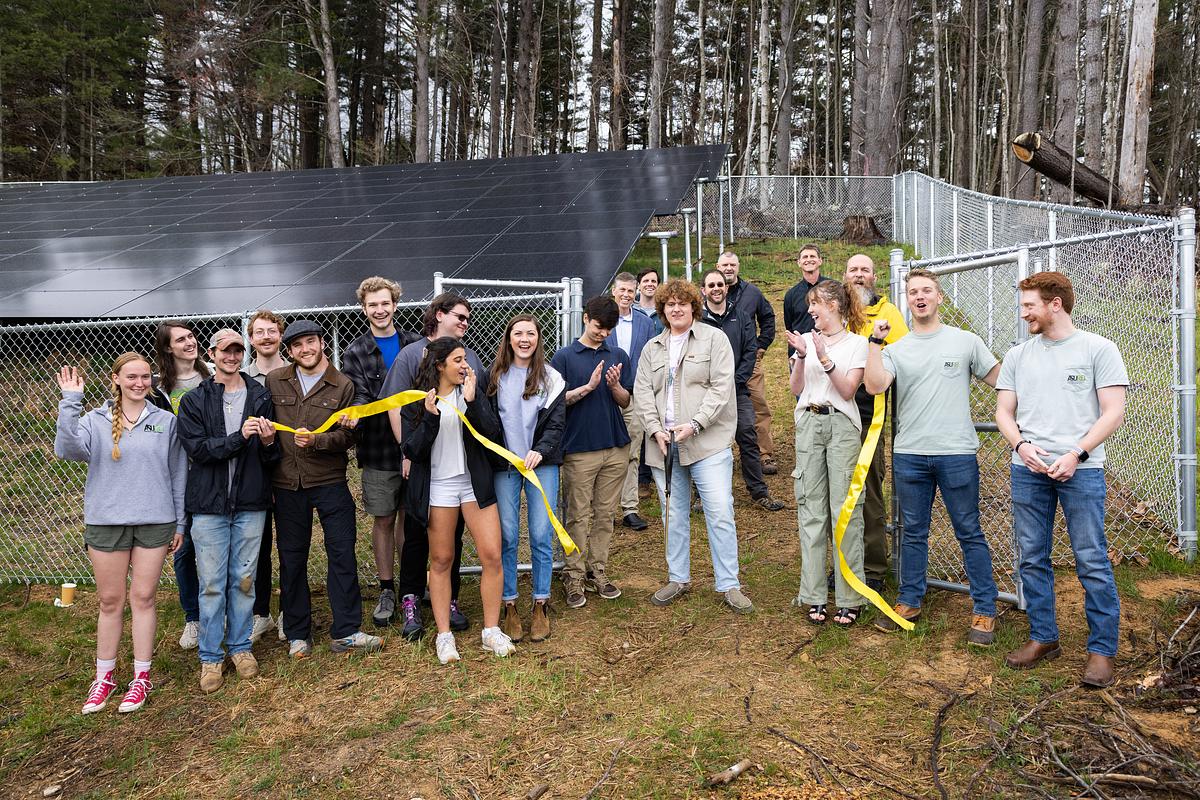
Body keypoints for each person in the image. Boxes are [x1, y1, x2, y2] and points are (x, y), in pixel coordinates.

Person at [996, 272, 1128, 688]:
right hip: (1028, 472)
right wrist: (1021, 447)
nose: (1024, 314)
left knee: (1090, 559)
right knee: (1032, 556)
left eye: (1029, 306)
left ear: (1055, 304)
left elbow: (1113, 412)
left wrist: (1076, 453)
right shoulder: (1019, 355)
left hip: (1082, 472)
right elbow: (1004, 412)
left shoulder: (1098, 349)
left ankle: (1102, 651)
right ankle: (1043, 638)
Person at [862, 269, 1000, 646]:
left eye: (926, 291)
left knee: (968, 530)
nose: (919, 297)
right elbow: (874, 385)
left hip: (956, 453)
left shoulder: (966, 341)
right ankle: (908, 601)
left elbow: (1001, 380)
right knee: (913, 533)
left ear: (940, 297)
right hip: (910, 455)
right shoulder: (895, 348)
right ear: (907, 300)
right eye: (912, 292)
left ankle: (985, 608)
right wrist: (874, 344)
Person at [55, 353, 187, 714]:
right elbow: (66, 449)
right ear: (115, 379)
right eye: (131, 377)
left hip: (154, 521)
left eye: (145, 377)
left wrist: (179, 523)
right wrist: (70, 402)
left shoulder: (165, 421)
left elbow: (178, 473)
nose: (139, 383)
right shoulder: (95, 420)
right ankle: (104, 678)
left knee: (143, 598)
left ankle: (141, 677)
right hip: (107, 521)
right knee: (110, 601)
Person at [635, 278, 753, 613]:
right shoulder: (652, 349)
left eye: (682, 303)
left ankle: (729, 584)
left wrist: (695, 424)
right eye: (669, 305)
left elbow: (721, 388)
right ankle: (678, 577)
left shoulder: (714, 340)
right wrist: (655, 430)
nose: (676, 309)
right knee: (673, 514)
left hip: (706, 443)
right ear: (662, 310)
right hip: (663, 446)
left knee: (719, 512)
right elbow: (643, 393)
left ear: (693, 306)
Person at [267, 320, 382, 658]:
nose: (306, 349)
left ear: (322, 344)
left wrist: (318, 441)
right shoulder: (276, 381)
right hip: (287, 483)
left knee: (342, 554)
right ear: (289, 351)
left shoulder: (342, 385)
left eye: (311, 342)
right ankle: (298, 634)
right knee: (291, 559)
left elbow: (349, 437)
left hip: (330, 481)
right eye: (298, 344)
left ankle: (346, 630)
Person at [177, 330, 280, 693]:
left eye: (239, 351)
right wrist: (240, 437)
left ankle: (240, 647)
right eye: (226, 351)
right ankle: (210, 657)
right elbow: (200, 451)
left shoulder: (260, 394)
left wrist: (267, 441)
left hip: (251, 503)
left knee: (244, 578)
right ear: (212, 353)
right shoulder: (194, 401)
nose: (233, 357)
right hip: (208, 506)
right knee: (211, 584)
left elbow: (272, 458)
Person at [402, 337, 515, 664]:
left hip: (474, 484)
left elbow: (493, 433)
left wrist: (474, 401)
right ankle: (444, 636)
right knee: (441, 560)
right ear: (439, 365)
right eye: (457, 359)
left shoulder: (472, 393)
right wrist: (430, 417)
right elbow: (413, 450)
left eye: (464, 358)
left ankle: (491, 631)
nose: (464, 365)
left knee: (492, 555)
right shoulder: (416, 400)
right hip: (439, 487)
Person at [381, 293, 487, 640]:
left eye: (468, 319)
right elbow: (396, 405)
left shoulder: (469, 358)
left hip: (460, 471)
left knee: (450, 539)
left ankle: (449, 599)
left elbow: (479, 406)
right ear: (438, 314)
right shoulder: (412, 355)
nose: (465, 323)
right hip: (423, 461)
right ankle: (411, 598)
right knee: (416, 533)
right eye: (459, 316)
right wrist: (407, 454)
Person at [785, 279, 869, 627]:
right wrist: (804, 358)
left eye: (815, 304)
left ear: (833, 305)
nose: (810, 311)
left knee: (845, 512)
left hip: (841, 428)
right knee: (812, 510)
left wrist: (824, 358)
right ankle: (814, 594)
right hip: (809, 424)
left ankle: (850, 597)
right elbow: (795, 388)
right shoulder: (805, 340)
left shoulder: (858, 344)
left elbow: (849, 391)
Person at [341, 277, 421, 628]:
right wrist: (356, 413)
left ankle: (411, 588)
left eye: (385, 303)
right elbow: (358, 395)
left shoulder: (415, 344)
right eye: (372, 305)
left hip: (415, 448)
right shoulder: (355, 351)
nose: (379, 310)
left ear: (395, 304)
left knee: (411, 518)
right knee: (385, 518)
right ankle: (387, 587)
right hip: (378, 450)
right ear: (364, 309)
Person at [550, 296, 633, 609]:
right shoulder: (564, 357)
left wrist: (614, 388)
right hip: (580, 450)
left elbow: (626, 401)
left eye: (609, 329)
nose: (603, 333)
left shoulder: (619, 354)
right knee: (578, 515)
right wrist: (587, 387)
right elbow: (556, 403)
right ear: (586, 319)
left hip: (615, 447)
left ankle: (597, 569)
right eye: (599, 326)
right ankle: (573, 575)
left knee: (605, 514)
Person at [488, 316, 565, 643]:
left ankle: (540, 603)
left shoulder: (552, 378)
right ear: (508, 338)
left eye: (530, 333)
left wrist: (542, 450)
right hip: (505, 466)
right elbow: (486, 420)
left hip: (541, 465)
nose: (523, 339)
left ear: (538, 338)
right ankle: (509, 605)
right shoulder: (493, 378)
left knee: (540, 532)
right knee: (506, 534)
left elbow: (557, 424)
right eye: (517, 333)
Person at [844, 254, 909, 591]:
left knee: (868, 489)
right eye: (853, 269)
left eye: (865, 270)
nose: (859, 275)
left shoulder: (887, 313)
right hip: (835, 412)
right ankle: (845, 563)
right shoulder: (836, 309)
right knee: (839, 492)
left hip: (869, 413)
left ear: (874, 276)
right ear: (844, 275)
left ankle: (872, 568)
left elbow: (903, 361)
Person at [699, 269, 784, 511]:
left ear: (726, 288)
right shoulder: (698, 320)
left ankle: (759, 492)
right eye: (711, 285)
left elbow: (750, 351)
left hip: (737, 390)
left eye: (720, 284)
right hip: (706, 393)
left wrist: (736, 380)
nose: (717, 288)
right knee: (705, 440)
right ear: (703, 290)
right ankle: (701, 495)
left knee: (747, 436)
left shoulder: (742, 316)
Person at [150, 320, 210, 652]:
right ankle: (194, 618)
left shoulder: (212, 375)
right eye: (181, 340)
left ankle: (222, 611)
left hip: (212, 472)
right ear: (168, 348)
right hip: (178, 477)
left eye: (191, 336)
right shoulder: (159, 390)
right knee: (184, 548)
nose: (189, 343)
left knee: (214, 546)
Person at [246, 309, 288, 645]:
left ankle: (290, 610)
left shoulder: (294, 374)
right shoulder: (243, 378)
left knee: (289, 545)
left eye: (271, 331)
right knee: (258, 548)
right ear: (251, 338)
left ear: (280, 335)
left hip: (291, 472)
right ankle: (261, 612)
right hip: (256, 475)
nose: (266, 337)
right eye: (259, 332)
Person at [716, 251, 779, 475]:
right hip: (715, 366)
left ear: (738, 266)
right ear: (718, 266)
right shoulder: (709, 291)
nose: (729, 268)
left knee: (757, 406)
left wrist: (761, 346)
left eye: (733, 264)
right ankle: (719, 454)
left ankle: (763, 454)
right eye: (725, 264)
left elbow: (768, 318)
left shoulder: (752, 293)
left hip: (749, 361)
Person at [607, 272, 657, 531]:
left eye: (630, 291)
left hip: (634, 395)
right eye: (622, 290)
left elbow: (649, 356)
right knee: (605, 453)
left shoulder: (644, 322)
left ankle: (630, 508)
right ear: (614, 291)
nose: (626, 295)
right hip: (605, 395)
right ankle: (605, 509)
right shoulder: (604, 318)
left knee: (632, 452)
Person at [782, 244, 829, 355]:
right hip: (802, 349)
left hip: (829, 346)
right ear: (799, 262)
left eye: (812, 256)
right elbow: (789, 326)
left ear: (820, 261)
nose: (809, 260)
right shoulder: (791, 295)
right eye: (805, 257)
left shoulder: (832, 288)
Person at [635, 268, 664, 333]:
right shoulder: (631, 311)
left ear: (658, 286)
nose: (650, 284)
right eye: (646, 281)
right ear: (638, 286)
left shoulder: (664, 312)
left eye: (653, 281)